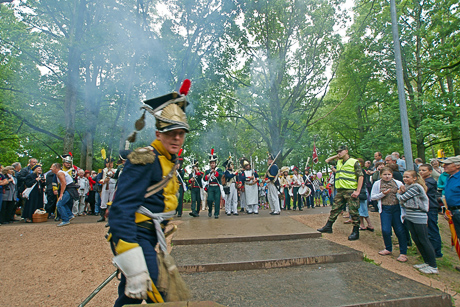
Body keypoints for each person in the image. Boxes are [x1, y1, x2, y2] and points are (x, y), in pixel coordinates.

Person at [108, 81, 190, 305]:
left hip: (151, 237)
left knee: (131, 296)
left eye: (180, 133)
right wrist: (131, 260)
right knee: (159, 291)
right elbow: (120, 211)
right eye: (170, 132)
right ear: (158, 133)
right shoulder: (145, 158)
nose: (176, 138)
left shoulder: (170, 160)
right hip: (135, 236)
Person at [317, 145, 363, 241]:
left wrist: (358, 191)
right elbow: (327, 161)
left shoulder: (354, 162)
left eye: (341, 151)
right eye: (338, 151)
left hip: (350, 190)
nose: (339, 153)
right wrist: (336, 156)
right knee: (335, 209)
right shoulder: (339, 162)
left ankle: (355, 231)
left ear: (346, 151)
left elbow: (360, 176)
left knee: (353, 211)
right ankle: (328, 226)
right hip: (340, 190)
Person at [397, 170, 438, 274]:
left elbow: (402, 199)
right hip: (410, 215)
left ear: (414, 178)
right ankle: (426, 262)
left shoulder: (416, 187)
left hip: (419, 216)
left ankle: (433, 265)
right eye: (404, 177)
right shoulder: (407, 187)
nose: (405, 179)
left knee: (424, 239)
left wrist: (399, 193)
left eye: (408, 177)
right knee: (416, 239)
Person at [371, 167, 407, 261]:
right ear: (381, 175)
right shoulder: (377, 184)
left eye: (389, 174)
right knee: (385, 230)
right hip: (385, 208)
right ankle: (388, 248)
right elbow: (373, 197)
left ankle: (403, 252)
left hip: (396, 208)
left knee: (399, 230)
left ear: (392, 175)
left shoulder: (398, 183)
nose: (387, 177)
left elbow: (404, 194)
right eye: (385, 175)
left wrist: (400, 193)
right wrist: (382, 194)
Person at [439, 156, 460, 272]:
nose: (444, 166)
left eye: (447, 164)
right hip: (453, 211)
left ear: (457, 165)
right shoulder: (449, 178)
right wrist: (448, 210)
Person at [418, 164, 443, 258]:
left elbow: (422, 191)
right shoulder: (423, 181)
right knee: (427, 230)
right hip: (425, 207)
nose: (421, 172)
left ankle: (436, 251)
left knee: (432, 229)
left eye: (424, 170)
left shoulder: (430, 181)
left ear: (430, 171)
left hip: (431, 207)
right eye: (420, 170)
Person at [98, 158, 117, 222]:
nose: (111, 164)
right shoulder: (103, 170)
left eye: (112, 163)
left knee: (112, 201)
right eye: (110, 163)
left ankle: (111, 217)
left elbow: (117, 177)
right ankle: (102, 216)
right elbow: (98, 179)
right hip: (105, 186)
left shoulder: (115, 170)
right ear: (106, 164)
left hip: (113, 186)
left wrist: (112, 173)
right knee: (104, 201)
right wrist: (104, 180)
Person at [204, 151, 223, 219]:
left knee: (217, 200)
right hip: (211, 187)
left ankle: (216, 214)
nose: (212, 164)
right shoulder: (207, 171)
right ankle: (209, 210)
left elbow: (220, 175)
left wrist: (215, 172)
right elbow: (204, 179)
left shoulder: (219, 170)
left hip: (217, 187)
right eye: (211, 163)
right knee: (209, 199)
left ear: (215, 163)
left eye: (213, 163)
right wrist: (208, 175)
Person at [357, 158, 374, 231]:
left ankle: (369, 224)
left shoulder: (361, 171)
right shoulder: (361, 171)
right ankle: (362, 224)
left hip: (362, 191)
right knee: (360, 209)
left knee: (363, 209)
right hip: (361, 191)